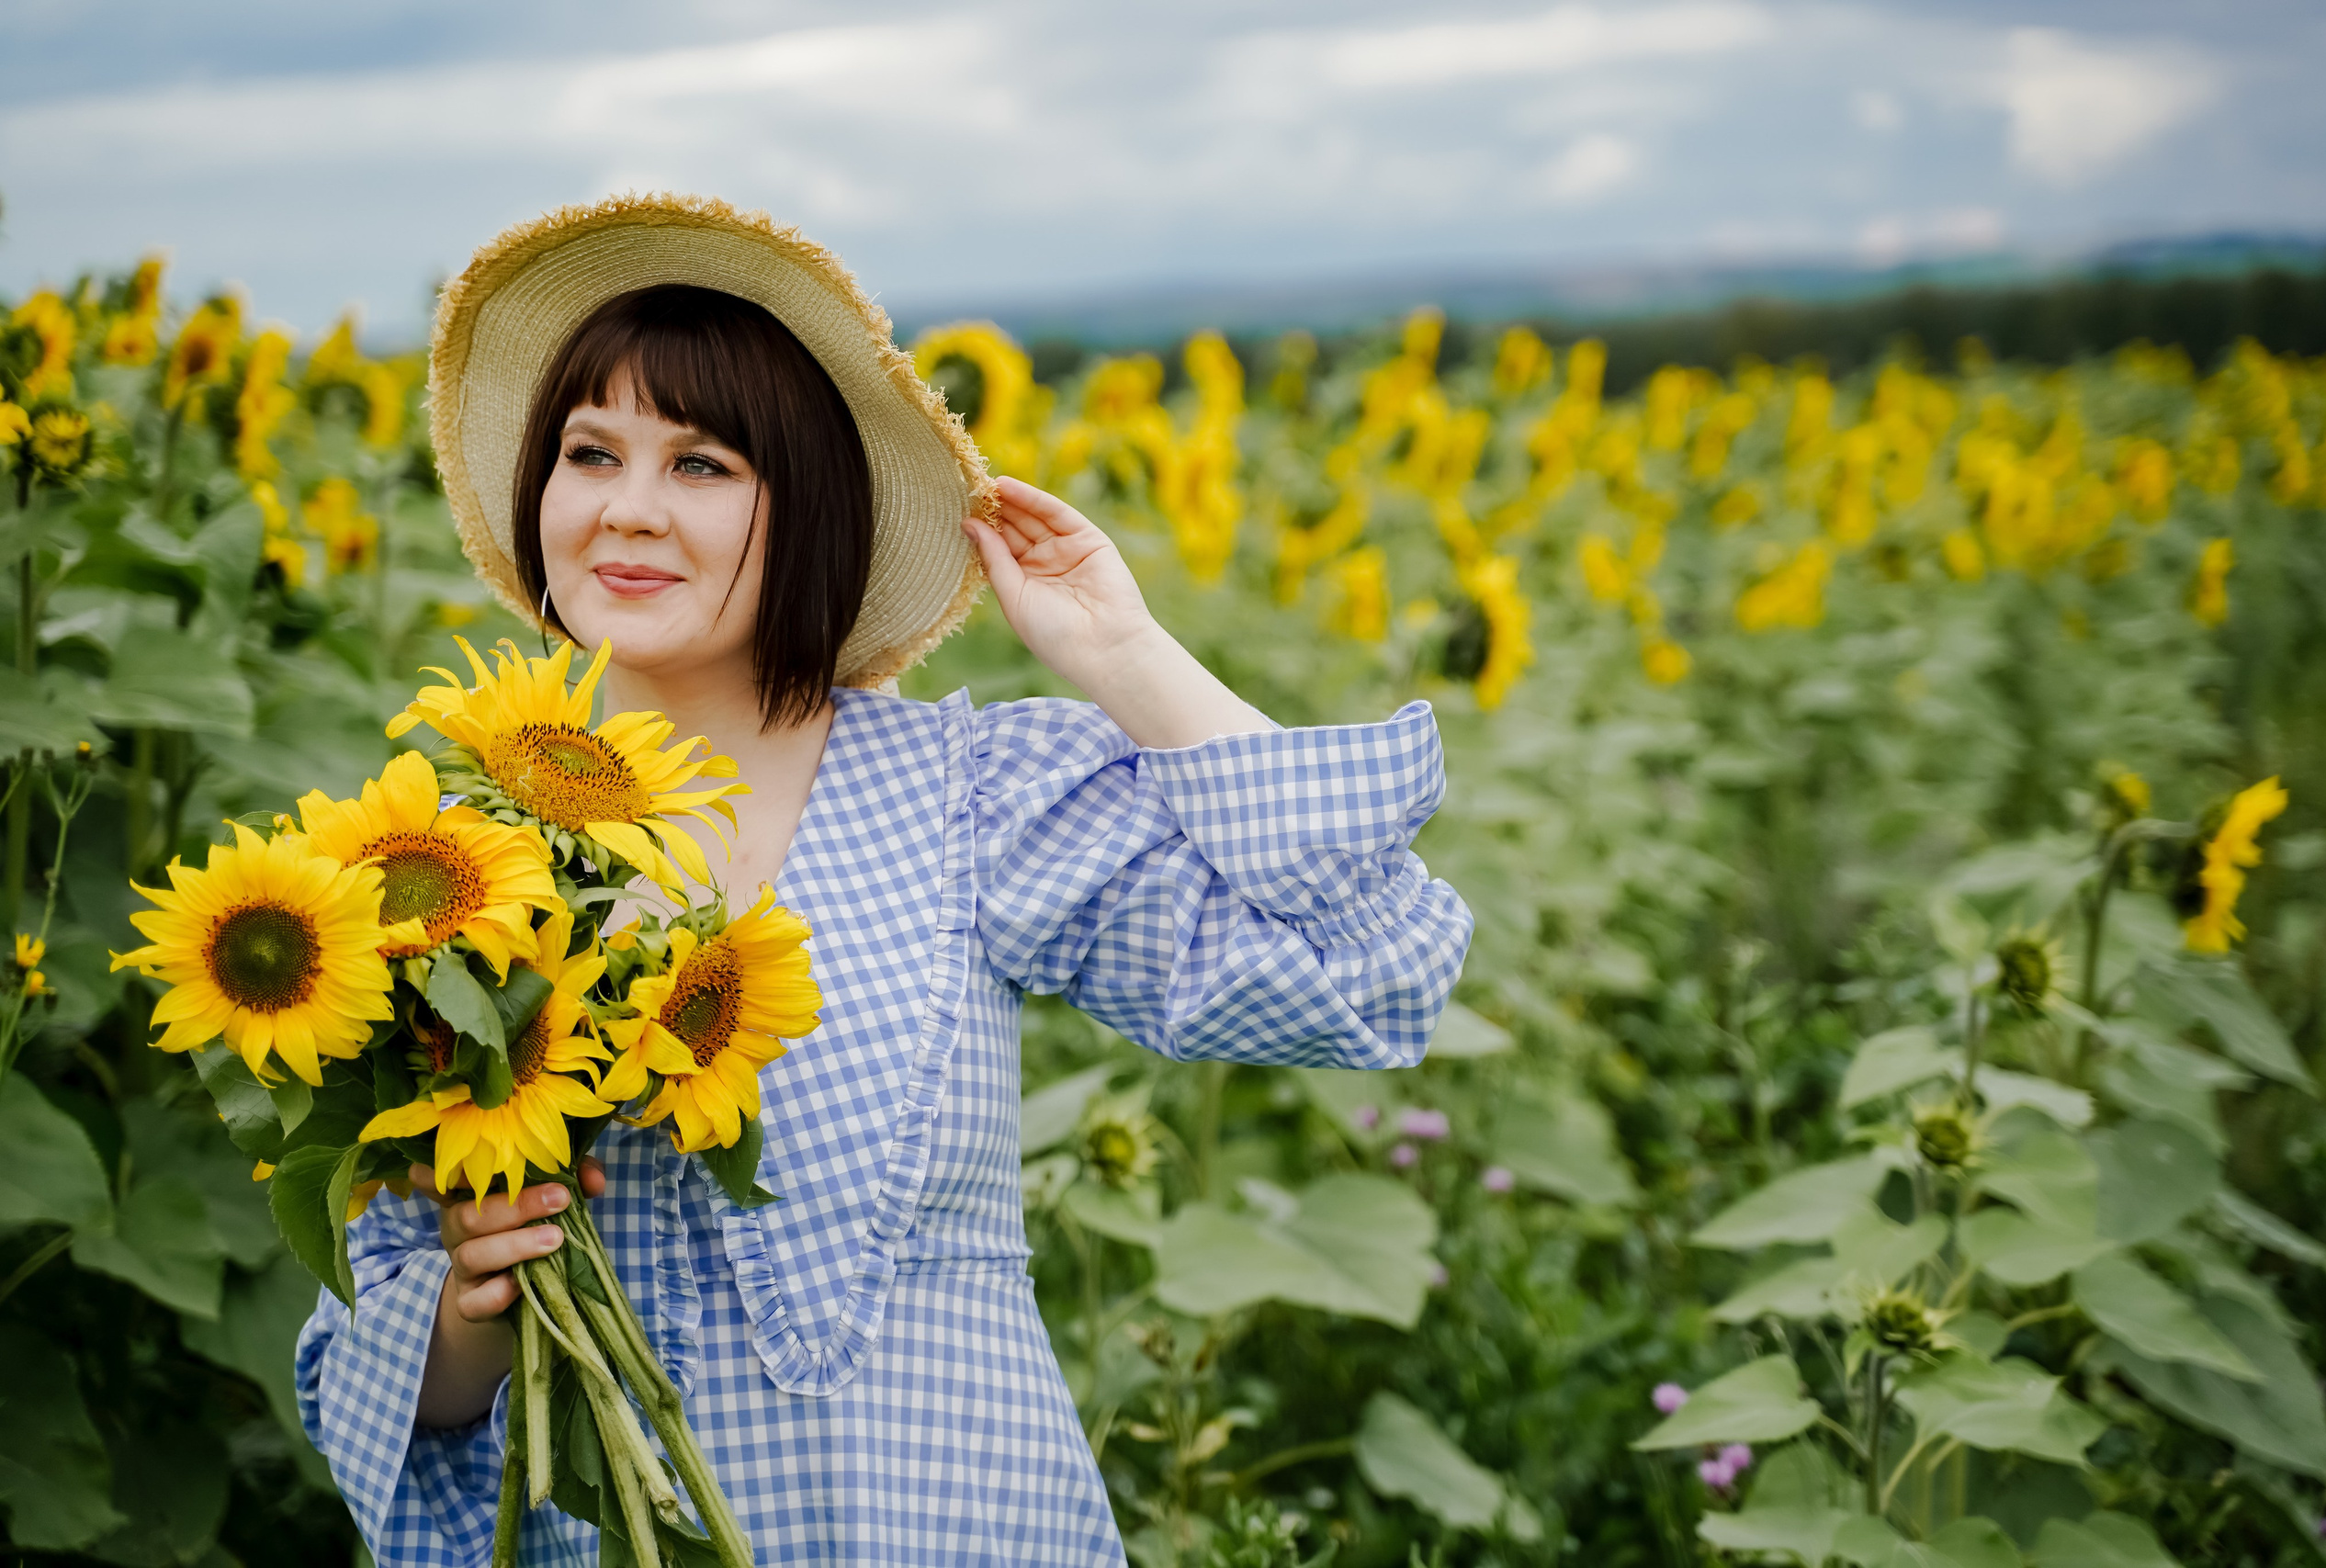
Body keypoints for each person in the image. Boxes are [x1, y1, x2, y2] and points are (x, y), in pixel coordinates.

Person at [296, 194, 1473, 1566]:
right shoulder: (447, 860)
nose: (625, 510)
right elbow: (366, 1375)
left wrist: (1121, 653)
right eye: (589, 451)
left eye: (701, 466)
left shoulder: (967, 797)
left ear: (806, 509)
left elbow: (1374, 974)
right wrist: (464, 1312)